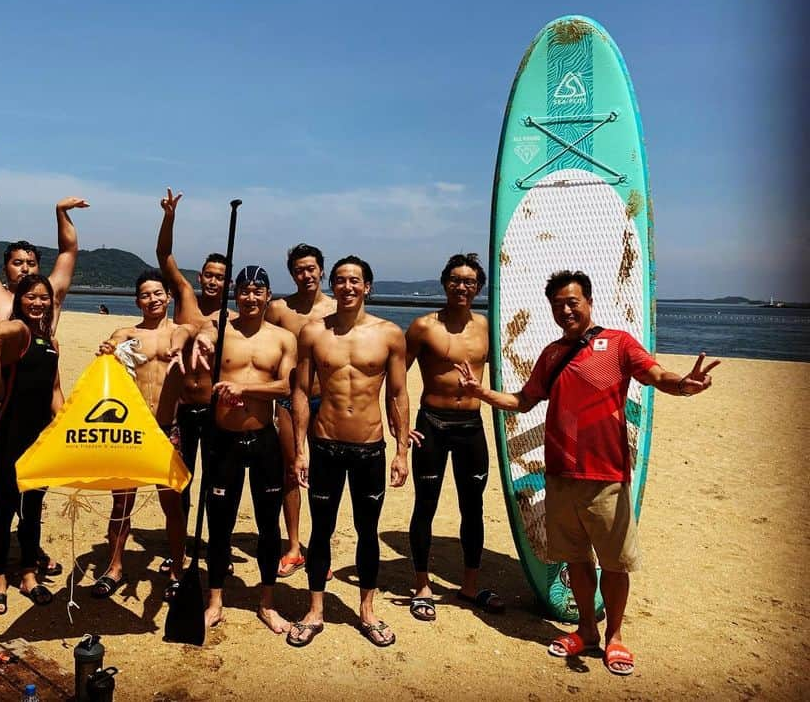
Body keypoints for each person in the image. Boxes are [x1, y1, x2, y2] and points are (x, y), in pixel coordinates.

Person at [457, 269, 720, 677]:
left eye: (571, 302)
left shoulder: (617, 343)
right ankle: (586, 630)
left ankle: (614, 636)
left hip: (607, 476)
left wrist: (683, 384)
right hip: (561, 474)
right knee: (576, 560)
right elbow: (524, 401)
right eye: (557, 304)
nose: (564, 310)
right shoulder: (551, 354)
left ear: (588, 301)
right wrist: (481, 393)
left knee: (614, 563)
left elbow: (655, 375)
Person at [0, 184, 87, 584]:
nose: (25, 268)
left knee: (32, 486)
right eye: (16, 262)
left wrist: (62, 212)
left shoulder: (49, 298)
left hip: (36, 410)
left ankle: (30, 553)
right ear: (5, 267)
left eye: (31, 262)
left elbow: (69, 253)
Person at [288, 256, 410, 648]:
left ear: (367, 286)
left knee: (367, 531)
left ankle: (367, 610)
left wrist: (402, 449)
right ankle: (315, 610)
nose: (347, 287)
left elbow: (398, 393)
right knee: (320, 530)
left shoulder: (390, 334)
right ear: (333, 285)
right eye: (340, 280)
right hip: (325, 444)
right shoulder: (313, 333)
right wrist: (300, 448)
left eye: (354, 280)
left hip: (369, 447)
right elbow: (302, 392)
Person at [185, 265, 297, 633]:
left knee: (268, 526)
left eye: (258, 291)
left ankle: (267, 602)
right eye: (245, 290)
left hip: (263, 438)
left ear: (268, 296)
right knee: (220, 525)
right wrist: (200, 339)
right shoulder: (220, 330)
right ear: (236, 294)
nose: (251, 297)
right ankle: (215, 601)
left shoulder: (282, 338)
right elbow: (199, 333)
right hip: (224, 440)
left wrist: (243, 389)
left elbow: (284, 388)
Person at [405, 253, 503, 621]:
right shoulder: (423, 327)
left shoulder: (486, 328)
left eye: (470, 281)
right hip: (431, 423)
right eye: (456, 280)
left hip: (471, 426)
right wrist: (399, 430)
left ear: (478, 288)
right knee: (425, 504)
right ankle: (421, 585)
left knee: (473, 506)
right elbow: (396, 380)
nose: (462, 286)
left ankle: (470, 585)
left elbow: (513, 371)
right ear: (444, 282)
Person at [0, 274, 64, 615]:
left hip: (40, 436)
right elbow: (8, 329)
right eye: (31, 297)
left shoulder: (52, 342)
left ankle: (29, 575)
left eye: (43, 298)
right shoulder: (18, 331)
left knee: (32, 510)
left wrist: (65, 427)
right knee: (4, 508)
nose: (38, 303)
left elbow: (54, 391)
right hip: (10, 431)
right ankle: (0, 580)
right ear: (20, 300)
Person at [92, 269, 188, 600]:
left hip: (166, 430)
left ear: (169, 297)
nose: (153, 299)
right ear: (137, 301)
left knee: (172, 504)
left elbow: (191, 333)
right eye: (146, 295)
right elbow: (110, 353)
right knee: (121, 502)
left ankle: (177, 567)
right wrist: (106, 350)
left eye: (158, 293)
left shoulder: (180, 331)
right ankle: (114, 566)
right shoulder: (125, 333)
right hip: (131, 431)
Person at [155, 188, 234, 564]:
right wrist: (169, 217)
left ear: (228, 282)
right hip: (183, 408)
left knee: (217, 483)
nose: (214, 282)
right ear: (200, 276)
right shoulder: (185, 296)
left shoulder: (234, 319)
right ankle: (180, 544)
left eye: (221, 277)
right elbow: (164, 256)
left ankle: (217, 543)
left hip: (217, 411)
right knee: (180, 478)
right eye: (209, 275)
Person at [265, 243, 336, 578]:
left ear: (321, 269)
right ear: (291, 273)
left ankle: (320, 548)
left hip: (328, 400)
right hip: (288, 400)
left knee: (325, 475)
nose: (305, 275)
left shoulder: (338, 308)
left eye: (311, 268)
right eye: (298, 270)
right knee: (291, 472)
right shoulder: (279, 309)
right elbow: (261, 342)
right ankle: (293, 547)